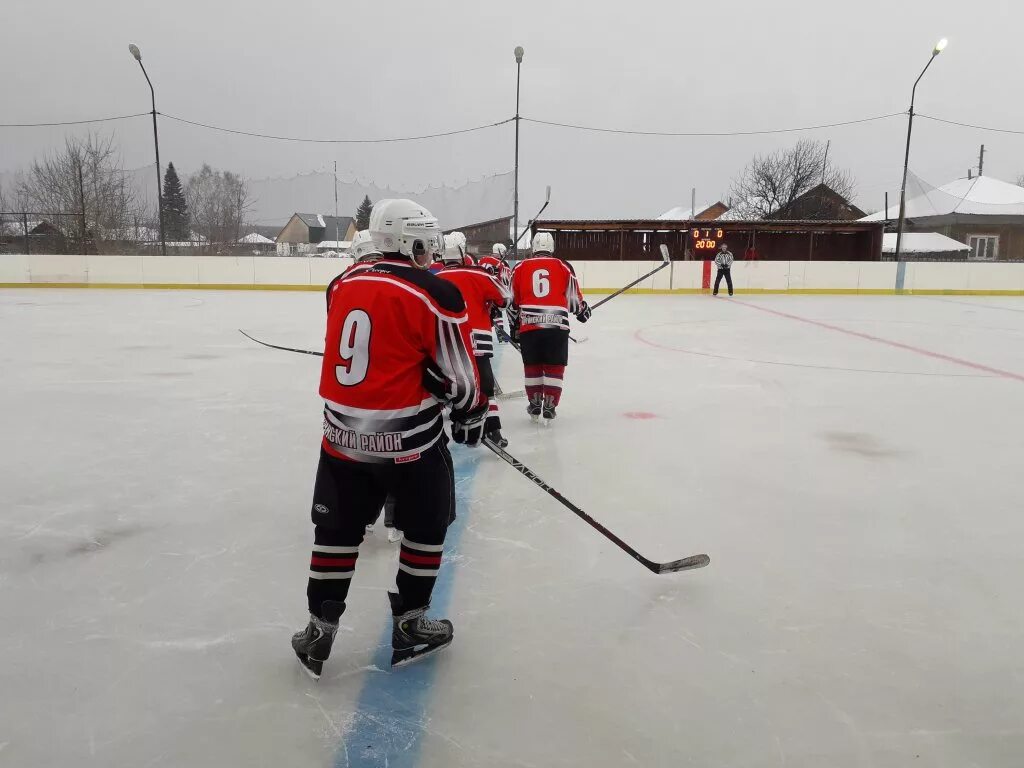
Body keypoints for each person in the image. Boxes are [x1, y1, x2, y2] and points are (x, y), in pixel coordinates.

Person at [291, 199, 487, 679]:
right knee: (426, 527)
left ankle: (319, 629)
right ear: (412, 241)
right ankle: (412, 623)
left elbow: (373, 347)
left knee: (337, 533)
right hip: (408, 443)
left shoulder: (342, 283)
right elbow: (460, 377)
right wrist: (468, 410)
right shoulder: (435, 292)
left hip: (340, 438)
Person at [437, 231, 513, 447]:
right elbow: (506, 299)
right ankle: (493, 431)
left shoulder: (434, 280)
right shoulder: (480, 275)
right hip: (478, 340)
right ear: (463, 253)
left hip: (448, 344)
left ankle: (454, 430)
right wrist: (488, 302)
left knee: (449, 389)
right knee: (486, 388)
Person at [508, 232, 590, 424]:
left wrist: (514, 327)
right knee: (555, 365)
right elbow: (574, 302)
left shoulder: (520, 267)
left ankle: (535, 402)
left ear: (533, 248)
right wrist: (583, 311)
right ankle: (551, 404)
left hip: (530, 326)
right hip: (556, 327)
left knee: (532, 365)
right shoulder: (563, 266)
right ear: (551, 248)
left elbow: (512, 302)